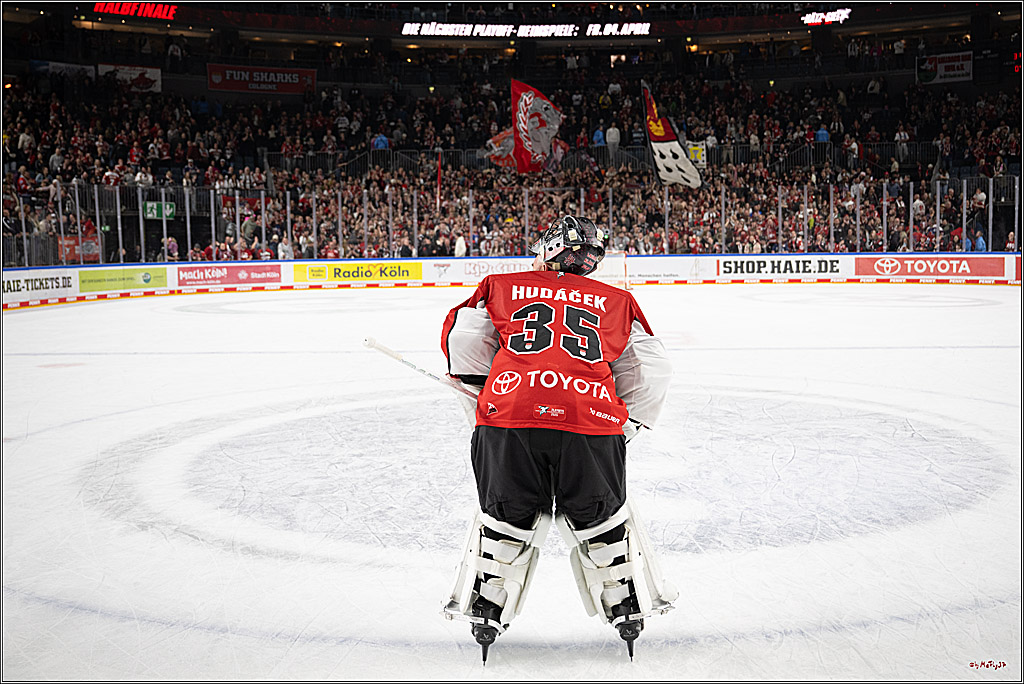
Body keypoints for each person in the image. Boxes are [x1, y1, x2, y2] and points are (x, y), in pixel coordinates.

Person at [440, 215, 677, 663]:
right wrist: (623, 423)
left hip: (508, 418)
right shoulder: (617, 300)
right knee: (599, 519)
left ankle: (489, 606)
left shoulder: (500, 285)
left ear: (548, 245)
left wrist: (487, 394)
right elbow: (651, 370)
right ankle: (622, 604)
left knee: (507, 518)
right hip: (590, 421)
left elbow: (465, 340)